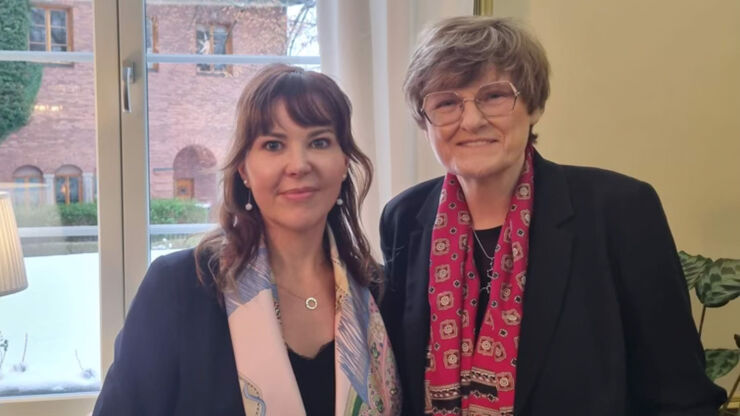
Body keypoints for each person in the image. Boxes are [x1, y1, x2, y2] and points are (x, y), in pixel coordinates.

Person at [379, 16, 726, 416]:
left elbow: (681, 396)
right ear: (425, 121)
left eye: (493, 96)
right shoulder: (404, 218)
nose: (471, 120)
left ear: (534, 105)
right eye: (446, 102)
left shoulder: (621, 210)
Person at [93, 64, 401, 415]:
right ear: (244, 169)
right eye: (273, 145)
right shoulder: (178, 288)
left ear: (344, 162)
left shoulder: (380, 294)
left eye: (319, 142)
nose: (298, 164)